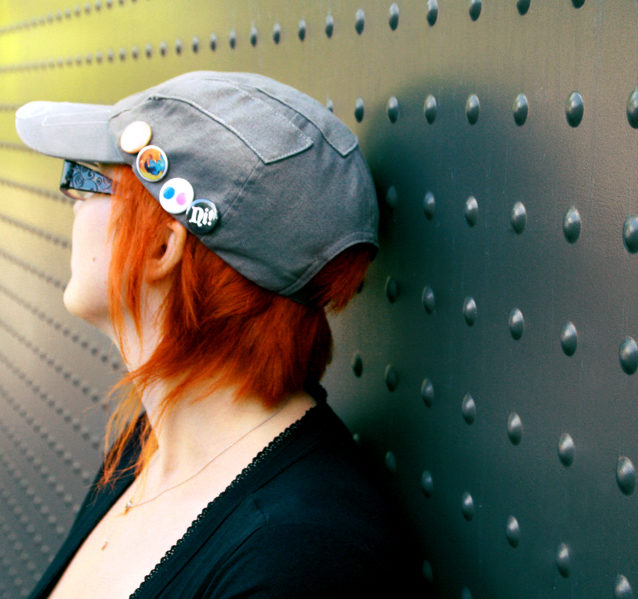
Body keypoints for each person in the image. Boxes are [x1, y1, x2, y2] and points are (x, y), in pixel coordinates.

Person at [16, 71, 415, 598]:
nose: (72, 198)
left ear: (162, 247)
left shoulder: (298, 557)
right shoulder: (150, 446)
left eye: (88, 180)